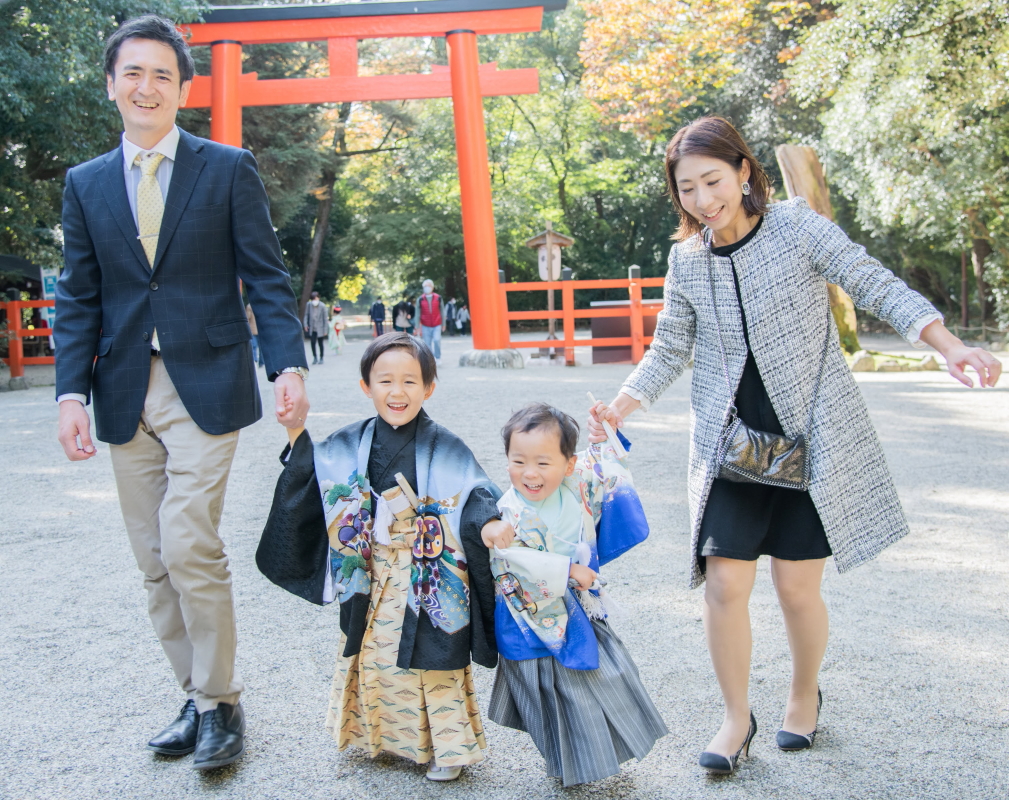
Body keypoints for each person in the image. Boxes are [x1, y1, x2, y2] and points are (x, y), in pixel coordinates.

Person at [588, 115, 1001, 775]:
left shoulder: (797, 227)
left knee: (795, 589)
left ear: (744, 171)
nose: (701, 200)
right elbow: (670, 344)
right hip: (729, 447)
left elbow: (872, 283)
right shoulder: (685, 259)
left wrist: (948, 347)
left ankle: (803, 692)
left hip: (807, 439)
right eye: (686, 188)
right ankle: (733, 717)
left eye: (712, 181)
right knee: (722, 582)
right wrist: (620, 406)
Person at [54, 15, 309, 771]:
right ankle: (196, 696)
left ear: (181, 88)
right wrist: (70, 393)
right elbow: (78, 297)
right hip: (123, 386)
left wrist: (285, 365)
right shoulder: (86, 183)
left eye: (162, 74)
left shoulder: (225, 168)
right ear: (112, 85)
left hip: (208, 378)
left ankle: (223, 703)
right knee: (151, 557)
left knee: (188, 539)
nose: (146, 86)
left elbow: (265, 274)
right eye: (133, 72)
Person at [257, 333, 513, 782]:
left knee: (432, 656)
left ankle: (447, 748)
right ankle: (378, 736)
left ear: (429, 388)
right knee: (374, 652)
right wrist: (295, 430)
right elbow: (310, 475)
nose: (398, 392)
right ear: (366, 386)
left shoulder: (445, 445)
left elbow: (475, 495)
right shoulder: (348, 442)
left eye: (410, 381)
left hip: (427, 570)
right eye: (386, 381)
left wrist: (488, 525)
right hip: (371, 567)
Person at [485, 403, 667, 787]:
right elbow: (511, 561)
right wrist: (567, 571)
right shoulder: (508, 512)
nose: (530, 474)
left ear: (568, 465)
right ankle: (568, 763)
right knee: (548, 693)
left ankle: (596, 753)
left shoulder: (576, 481)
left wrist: (603, 432)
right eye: (518, 461)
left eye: (543, 463)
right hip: (532, 615)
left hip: (577, 606)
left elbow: (603, 465)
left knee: (605, 677)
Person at [416, 278, 445, 361]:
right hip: (425, 324)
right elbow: (417, 313)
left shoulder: (438, 298)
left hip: (437, 324)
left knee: (437, 340)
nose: (427, 288)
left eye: (428, 286)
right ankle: (431, 359)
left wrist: (444, 324)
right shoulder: (420, 299)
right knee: (427, 344)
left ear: (432, 287)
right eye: (425, 286)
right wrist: (417, 326)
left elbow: (442, 311)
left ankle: (438, 357)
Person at [304, 290, 329, 365]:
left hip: (320, 327)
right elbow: (306, 315)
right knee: (313, 343)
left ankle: (321, 357)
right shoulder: (309, 305)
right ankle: (315, 357)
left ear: (318, 298)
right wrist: (305, 325)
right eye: (313, 299)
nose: (314, 301)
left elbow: (325, 318)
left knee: (320, 343)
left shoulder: (322, 306)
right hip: (312, 327)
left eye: (315, 299)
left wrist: (325, 329)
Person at [246, 301, 263, 367]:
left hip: (253, 330)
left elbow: (247, 318)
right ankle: (261, 362)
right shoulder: (262, 304)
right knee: (259, 347)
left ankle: (255, 361)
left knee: (254, 346)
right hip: (259, 329)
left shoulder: (250, 306)